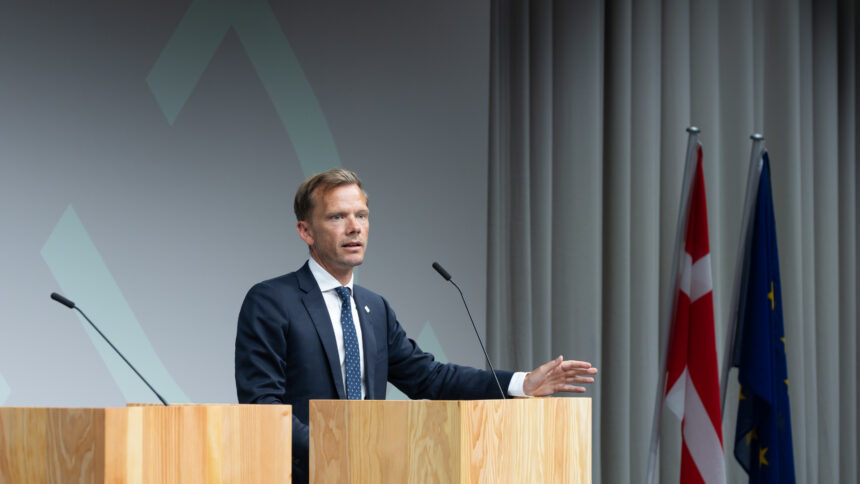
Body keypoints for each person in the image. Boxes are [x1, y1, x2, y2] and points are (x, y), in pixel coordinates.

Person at [235, 169, 598, 482]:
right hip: (303, 475)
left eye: (362, 216)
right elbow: (262, 407)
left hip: (370, 473)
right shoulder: (272, 301)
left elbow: (431, 378)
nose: (354, 228)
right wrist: (330, 451)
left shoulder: (374, 308)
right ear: (306, 231)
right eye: (337, 217)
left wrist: (521, 383)